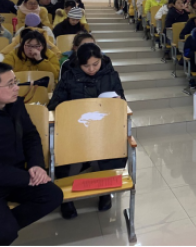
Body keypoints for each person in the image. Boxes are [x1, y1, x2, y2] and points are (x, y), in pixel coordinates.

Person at [47, 43, 125, 219]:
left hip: (103, 128)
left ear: (101, 60)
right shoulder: (69, 77)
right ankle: (66, 198)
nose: (91, 69)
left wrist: (118, 101)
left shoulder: (111, 75)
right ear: (79, 63)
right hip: (75, 129)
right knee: (69, 157)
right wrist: (74, 108)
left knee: (106, 153)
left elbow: (122, 102)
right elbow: (54, 106)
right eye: (86, 65)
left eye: (95, 64)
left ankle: (105, 192)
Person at [0, 63, 63, 245]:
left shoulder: (15, 105)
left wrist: (36, 165)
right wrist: (26, 178)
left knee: (52, 195)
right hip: (9, 178)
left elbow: (31, 136)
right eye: (10, 84)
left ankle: (8, 225)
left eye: (15, 82)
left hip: (18, 176)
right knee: (6, 233)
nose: (16, 88)